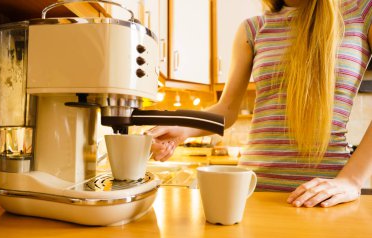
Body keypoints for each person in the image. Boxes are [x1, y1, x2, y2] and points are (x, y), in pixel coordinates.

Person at [147, 0, 372, 208]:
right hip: (253, 190)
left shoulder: (362, 13)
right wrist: (181, 126)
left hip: (326, 197)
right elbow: (226, 109)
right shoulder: (253, 28)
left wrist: (351, 179)